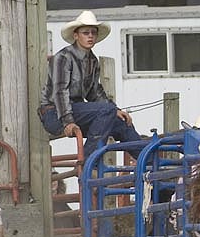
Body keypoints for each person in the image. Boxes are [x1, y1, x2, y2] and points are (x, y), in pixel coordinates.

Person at [38, 10, 144, 161]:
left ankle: (151, 166)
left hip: (76, 111)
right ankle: (88, 161)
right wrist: (68, 122)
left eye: (93, 33)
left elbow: (95, 92)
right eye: (85, 32)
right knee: (107, 111)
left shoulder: (92, 61)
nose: (90, 36)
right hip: (54, 114)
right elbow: (60, 93)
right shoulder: (63, 58)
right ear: (76, 35)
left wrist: (116, 110)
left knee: (121, 123)